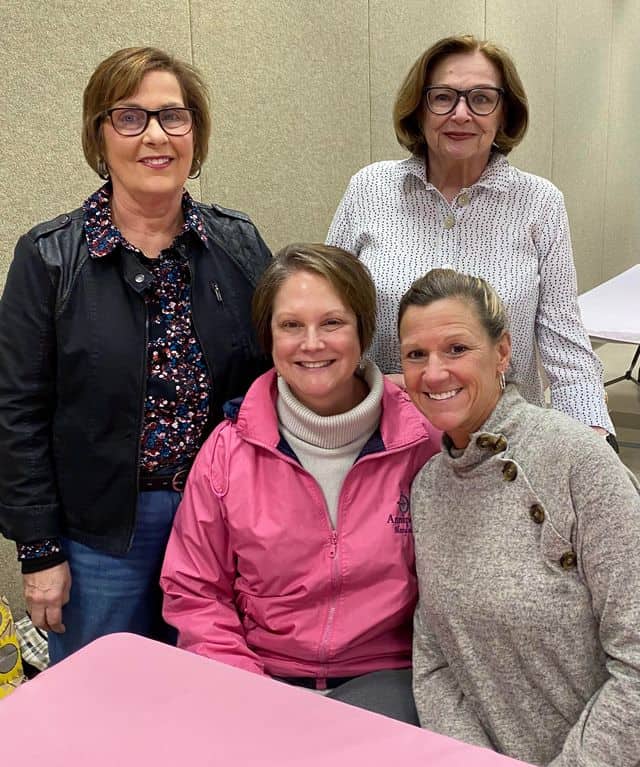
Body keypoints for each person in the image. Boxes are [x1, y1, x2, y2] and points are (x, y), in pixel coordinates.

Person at [0, 47, 272, 664]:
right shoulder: (50, 257)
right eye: (129, 117)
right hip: (100, 536)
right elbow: (16, 412)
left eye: (173, 116)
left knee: (211, 693)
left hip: (220, 520)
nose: (155, 136)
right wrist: (38, 550)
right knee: (103, 698)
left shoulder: (236, 243)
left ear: (195, 133)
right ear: (100, 136)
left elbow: (271, 378)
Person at [160, 244, 441, 723]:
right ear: (269, 336)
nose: (312, 343)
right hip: (260, 673)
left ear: (362, 331)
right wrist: (246, 686)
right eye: (291, 325)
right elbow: (194, 591)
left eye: (332, 323)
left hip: (391, 675)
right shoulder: (228, 452)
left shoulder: (423, 443)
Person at [398, 268, 640, 765]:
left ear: (503, 352)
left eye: (456, 349)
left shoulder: (579, 462)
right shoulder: (428, 488)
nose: (434, 373)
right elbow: (435, 660)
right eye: (416, 355)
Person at [327, 34, 613, 435]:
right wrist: (367, 388)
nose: (461, 114)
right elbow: (328, 319)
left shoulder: (540, 203)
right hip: (384, 436)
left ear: (504, 114)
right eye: (443, 97)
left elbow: (565, 347)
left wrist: (592, 440)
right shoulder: (369, 189)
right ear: (419, 108)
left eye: (481, 99)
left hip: (504, 443)